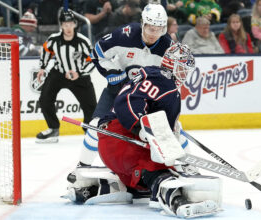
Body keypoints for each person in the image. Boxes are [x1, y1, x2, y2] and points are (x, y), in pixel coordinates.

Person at [64, 43, 223, 218]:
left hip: (112, 146)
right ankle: (176, 201)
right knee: (161, 172)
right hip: (122, 141)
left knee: (140, 184)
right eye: (183, 69)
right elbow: (127, 102)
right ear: (173, 65)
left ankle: (94, 189)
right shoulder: (167, 86)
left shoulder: (151, 74)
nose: (185, 75)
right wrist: (140, 127)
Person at [66, 3, 174, 182]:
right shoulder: (125, 34)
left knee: (165, 130)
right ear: (143, 23)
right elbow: (97, 53)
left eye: (159, 29)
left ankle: (176, 168)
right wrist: (112, 72)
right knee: (95, 126)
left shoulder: (168, 47)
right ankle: (82, 167)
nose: (154, 33)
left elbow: (169, 81)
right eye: (150, 28)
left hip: (147, 96)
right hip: (118, 91)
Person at [35, 9, 97, 143]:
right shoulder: (53, 39)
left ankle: (90, 131)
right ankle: (53, 129)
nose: (68, 27)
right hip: (58, 73)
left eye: (70, 24)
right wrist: (42, 67)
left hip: (79, 75)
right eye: (65, 24)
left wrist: (79, 73)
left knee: (90, 105)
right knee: (45, 99)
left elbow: (92, 59)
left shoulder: (83, 41)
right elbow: (46, 50)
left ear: (75, 24)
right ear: (61, 25)